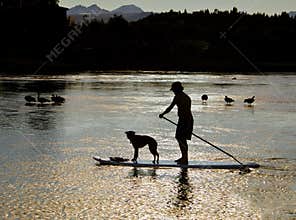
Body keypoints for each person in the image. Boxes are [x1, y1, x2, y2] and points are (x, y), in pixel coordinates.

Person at [159, 81, 194, 164]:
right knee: (181, 139)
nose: (173, 92)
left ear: (177, 89)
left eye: (174, 90)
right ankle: (184, 157)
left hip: (185, 120)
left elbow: (170, 107)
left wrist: (163, 114)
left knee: (180, 138)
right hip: (186, 120)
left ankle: (185, 159)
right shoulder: (185, 96)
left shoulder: (178, 97)